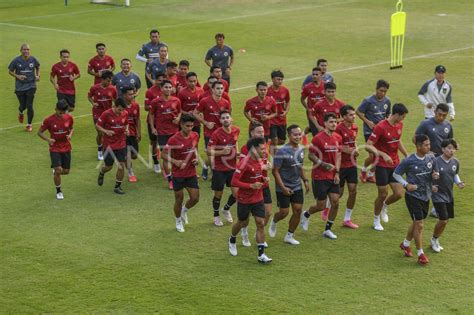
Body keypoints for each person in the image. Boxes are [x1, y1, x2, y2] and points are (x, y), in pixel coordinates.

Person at [228, 137, 272, 264]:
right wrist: (250, 186)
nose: (264, 151)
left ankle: (261, 254)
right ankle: (232, 238)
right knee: (242, 222)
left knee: (260, 223)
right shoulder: (243, 163)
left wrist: (264, 180)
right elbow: (234, 181)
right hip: (244, 199)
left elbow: (259, 175)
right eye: (262, 148)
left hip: (258, 197)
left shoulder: (260, 160)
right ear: (253, 149)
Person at [394, 134, 436, 266]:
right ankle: (421, 254)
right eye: (426, 145)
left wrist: (435, 177)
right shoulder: (409, 160)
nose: (429, 147)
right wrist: (406, 185)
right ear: (418, 146)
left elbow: (433, 173)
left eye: (429, 144)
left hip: (425, 196)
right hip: (413, 197)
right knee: (420, 224)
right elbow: (396, 174)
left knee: (417, 222)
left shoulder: (431, 158)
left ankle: (405, 244)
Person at [366, 103, 409, 231]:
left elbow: (397, 140)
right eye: (403, 117)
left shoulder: (399, 125)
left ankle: (385, 206)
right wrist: (383, 154)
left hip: (395, 164)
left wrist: (406, 155)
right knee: (383, 193)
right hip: (381, 165)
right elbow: (368, 145)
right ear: (396, 115)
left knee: (399, 194)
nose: (403, 119)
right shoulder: (380, 127)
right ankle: (376, 219)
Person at [300, 113, 342, 240]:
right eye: (331, 122)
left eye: (335, 121)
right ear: (325, 123)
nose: (334, 124)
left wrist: (337, 172)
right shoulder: (317, 138)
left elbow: (339, 155)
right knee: (321, 206)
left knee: (335, 202)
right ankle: (306, 214)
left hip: (333, 176)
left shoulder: (338, 137)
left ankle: (328, 229)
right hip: (320, 176)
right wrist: (323, 164)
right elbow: (311, 156)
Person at [269, 125, 309, 245]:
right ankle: (274, 220)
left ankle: (289, 236)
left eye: (299, 134)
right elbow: (275, 171)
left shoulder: (301, 149)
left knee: (297, 211)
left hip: (296, 185)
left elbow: (300, 166)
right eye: (295, 134)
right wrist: (283, 188)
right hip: (283, 186)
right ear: (289, 136)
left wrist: (305, 180)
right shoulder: (282, 151)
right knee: (284, 212)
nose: (298, 137)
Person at [162, 114, 200, 233]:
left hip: (191, 172)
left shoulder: (195, 135)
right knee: (179, 199)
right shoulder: (173, 139)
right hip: (178, 174)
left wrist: (197, 159)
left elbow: (195, 149)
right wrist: (176, 162)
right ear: (181, 125)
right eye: (187, 126)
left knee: (195, 198)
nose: (190, 129)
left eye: (192, 126)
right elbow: (163, 154)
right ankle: (178, 220)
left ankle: (184, 210)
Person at [430, 139, 464, 252]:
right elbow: (427, 176)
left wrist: (458, 182)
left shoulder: (455, 162)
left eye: (453, 148)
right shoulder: (435, 161)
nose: (451, 150)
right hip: (437, 194)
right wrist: (431, 185)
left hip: (449, 194)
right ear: (443, 149)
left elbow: (455, 174)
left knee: (446, 220)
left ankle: (435, 239)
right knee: (443, 220)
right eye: (449, 148)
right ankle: (434, 239)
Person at [207, 110, 240, 226]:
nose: (225, 119)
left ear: (231, 119)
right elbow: (209, 151)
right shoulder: (216, 134)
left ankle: (226, 209)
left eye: (227, 117)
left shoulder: (236, 130)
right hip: (219, 169)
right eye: (223, 118)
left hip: (232, 167)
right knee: (218, 195)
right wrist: (222, 151)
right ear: (220, 121)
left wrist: (237, 152)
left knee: (237, 194)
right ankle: (216, 215)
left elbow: (235, 142)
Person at [194, 81, 231, 180]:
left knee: (219, 153)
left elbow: (228, 117)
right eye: (217, 88)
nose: (220, 90)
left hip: (222, 132)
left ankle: (206, 167)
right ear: (212, 89)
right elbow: (195, 113)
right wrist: (205, 123)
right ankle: (214, 173)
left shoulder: (225, 102)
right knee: (211, 153)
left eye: (221, 88)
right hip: (209, 133)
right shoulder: (205, 101)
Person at [37, 100, 74, 200]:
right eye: (60, 112)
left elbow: (71, 128)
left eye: (63, 112)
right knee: (59, 170)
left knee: (66, 171)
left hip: (66, 147)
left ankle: (56, 172)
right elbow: (39, 132)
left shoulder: (69, 118)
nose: (61, 114)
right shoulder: (49, 120)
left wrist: (70, 135)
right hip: (55, 148)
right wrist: (48, 139)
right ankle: (59, 191)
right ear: (56, 109)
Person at [149, 80, 182, 190]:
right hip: (162, 132)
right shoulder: (155, 102)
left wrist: (178, 118)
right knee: (166, 156)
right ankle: (170, 180)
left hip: (175, 132)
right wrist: (153, 128)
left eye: (170, 87)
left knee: (176, 155)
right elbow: (151, 115)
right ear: (161, 89)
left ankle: (177, 175)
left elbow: (180, 112)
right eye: (166, 87)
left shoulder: (176, 100)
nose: (168, 89)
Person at [357, 79, 391, 183]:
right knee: (372, 155)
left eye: (385, 91)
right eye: (381, 90)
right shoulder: (368, 100)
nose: (383, 93)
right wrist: (368, 122)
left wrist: (386, 122)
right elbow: (358, 111)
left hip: (381, 132)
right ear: (376, 89)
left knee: (378, 155)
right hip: (369, 131)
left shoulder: (387, 101)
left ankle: (371, 174)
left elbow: (388, 114)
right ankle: (363, 171)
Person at [96, 98, 129, 195]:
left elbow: (126, 123)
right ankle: (102, 172)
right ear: (114, 106)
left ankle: (117, 187)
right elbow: (98, 125)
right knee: (108, 167)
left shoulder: (125, 113)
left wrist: (127, 130)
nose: (121, 112)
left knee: (121, 165)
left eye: (122, 110)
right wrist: (106, 131)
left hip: (121, 143)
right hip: (109, 145)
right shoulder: (106, 114)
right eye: (119, 109)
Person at [335, 105, 359, 229]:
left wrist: (356, 148)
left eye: (354, 114)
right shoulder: (338, 129)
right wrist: (351, 151)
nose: (354, 116)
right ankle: (328, 207)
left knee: (353, 191)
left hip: (352, 164)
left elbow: (353, 141)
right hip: (341, 165)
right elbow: (337, 147)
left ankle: (347, 219)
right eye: (351, 115)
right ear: (343, 117)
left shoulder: (355, 127)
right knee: (339, 193)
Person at [8, 43, 40, 132]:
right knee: (23, 106)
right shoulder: (16, 60)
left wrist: (38, 76)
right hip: (20, 87)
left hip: (31, 85)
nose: (26, 51)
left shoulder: (33, 59)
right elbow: (10, 71)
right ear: (21, 51)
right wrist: (18, 76)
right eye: (24, 49)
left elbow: (38, 67)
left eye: (27, 49)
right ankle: (21, 112)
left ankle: (29, 125)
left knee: (29, 105)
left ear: (29, 50)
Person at [87, 70, 117, 161]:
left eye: (111, 80)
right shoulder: (94, 88)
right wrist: (93, 103)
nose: (109, 82)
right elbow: (89, 96)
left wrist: (115, 108)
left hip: (108, 114)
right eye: (108, 80)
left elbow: (115, 100)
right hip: (97, 113)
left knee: (108, 132)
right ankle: (100, 148)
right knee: (100, 133)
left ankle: (108, 148)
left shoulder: (113, 89)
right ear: (102, 79)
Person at [144, 72, 166, 173]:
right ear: (155, 80)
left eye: (163, 80)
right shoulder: (150, 91)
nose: (161, 82)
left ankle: (167, 165)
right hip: (153, 121)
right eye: (159, 80)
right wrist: (157, 105)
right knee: (154, 142)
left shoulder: (167, 89)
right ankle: (155, 161)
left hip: (165, 122)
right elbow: (145, 107)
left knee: (165, 145)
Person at [122, 86, 141, 183]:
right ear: (124, 95)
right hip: (124, 135)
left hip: (133, 133)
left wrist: (139, 132)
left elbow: (137, 119)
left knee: (134, 155)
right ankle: (130, 173)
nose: (132, 96)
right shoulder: (120, 107)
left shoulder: (136, 106)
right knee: (128, 154)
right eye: (130, 94)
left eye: (133, 93)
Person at [267, 70, 291, 147]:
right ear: (272, 79)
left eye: (281, 79)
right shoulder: (267, 91)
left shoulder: (285, 90)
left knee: (282, 141)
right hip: (271, 119)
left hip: (281, 119)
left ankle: (267, 145)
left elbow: (288, 101)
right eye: (278, 79)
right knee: (275, 140)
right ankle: (275, 157)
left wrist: (286, 111)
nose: (280, 81)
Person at [300, 67, 325, 136]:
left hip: (323, 113)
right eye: (313, 74)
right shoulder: (307, 87)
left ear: (321, 75)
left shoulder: (325, 86)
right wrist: (308, 108)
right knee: (316, 134)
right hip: (312, 114)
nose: (314, 76)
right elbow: (302, 99)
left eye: (317, 74)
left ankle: (306, 131)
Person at [178, 72, 204, 136]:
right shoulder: (182, 93)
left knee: (195, 140)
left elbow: (203, 105)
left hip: (196, 121)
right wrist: (187, 113)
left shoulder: (200, 91)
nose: (193, 83)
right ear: (186, 81)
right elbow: (178, 109)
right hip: (185, 121)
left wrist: (201, 113)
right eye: (190, 81)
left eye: (194, 81)